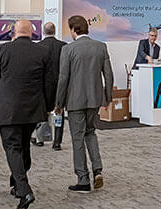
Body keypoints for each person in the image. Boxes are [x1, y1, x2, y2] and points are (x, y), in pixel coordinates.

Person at [0, 20, 56, 209]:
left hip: (8, 108)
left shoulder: (1, 51)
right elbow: (49, 82)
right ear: (32, 33)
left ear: (13, 33)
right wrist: (48, 106)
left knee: (13, 147)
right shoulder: (42, 51)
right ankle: (17, 184)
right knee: (24, 146)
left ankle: (24, 190)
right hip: (33, 108)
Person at [55, 15, 114, 193]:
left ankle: (82, 179)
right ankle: (97, 170)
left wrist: (59, 103)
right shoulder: (101, 47)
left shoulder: (68, 49)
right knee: (91, 133)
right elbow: (109, 75)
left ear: (73, 30)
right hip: (95, 100)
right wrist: (108, 98)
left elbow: (63, 78)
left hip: (75, 101)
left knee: (77, 138)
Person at [33, 22, 67, 150]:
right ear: (55, 30)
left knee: (42, 114)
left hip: (42, 87)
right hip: (60, 86)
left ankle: (41, 139)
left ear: (43, 31)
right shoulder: (64, 46)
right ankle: (57, 142)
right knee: (59, 112)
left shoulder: (37, 47)